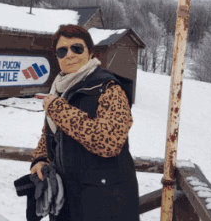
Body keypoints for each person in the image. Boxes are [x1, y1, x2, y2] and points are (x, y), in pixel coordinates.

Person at [30, 25, 139, 221]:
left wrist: (58, 109)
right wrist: (40, 158)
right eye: (62, 51)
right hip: (66, 201)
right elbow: (51, 134)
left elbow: (109, 141)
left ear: (90, 53)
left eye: (77, 48)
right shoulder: (60, 89)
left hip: (107, 204)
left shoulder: (109, 88)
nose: (69, 55)